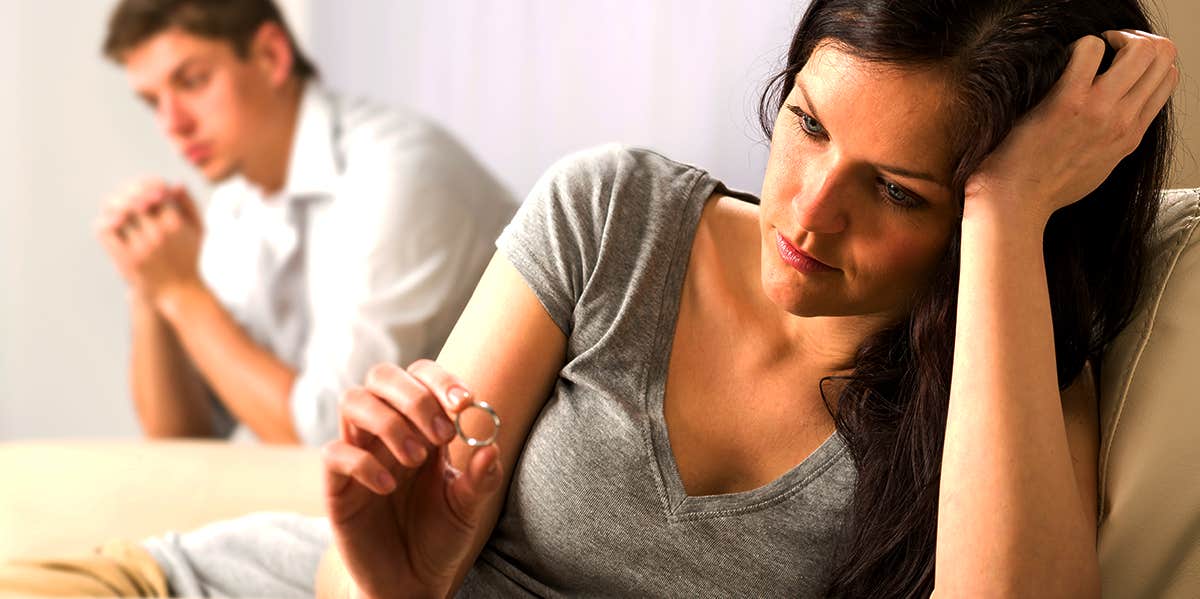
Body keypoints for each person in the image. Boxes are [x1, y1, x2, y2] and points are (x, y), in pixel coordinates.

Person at [0, 0, 1177, 596]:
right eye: (808, 123)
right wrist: (390, 572)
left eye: (900, 191)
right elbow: (353, 563)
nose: (809, 214)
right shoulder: (615, 214)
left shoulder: (995, 386)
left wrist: (1007, 211)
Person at [94, 0, 517, 445]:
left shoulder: (394, 173)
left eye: (193, 81)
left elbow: (331, 441)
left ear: (272, 56)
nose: (171, 123)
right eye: (152, 102)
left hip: (493, 493)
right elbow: (181, 443)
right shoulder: (235, 203)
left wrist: (183, 292)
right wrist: (150, 287)